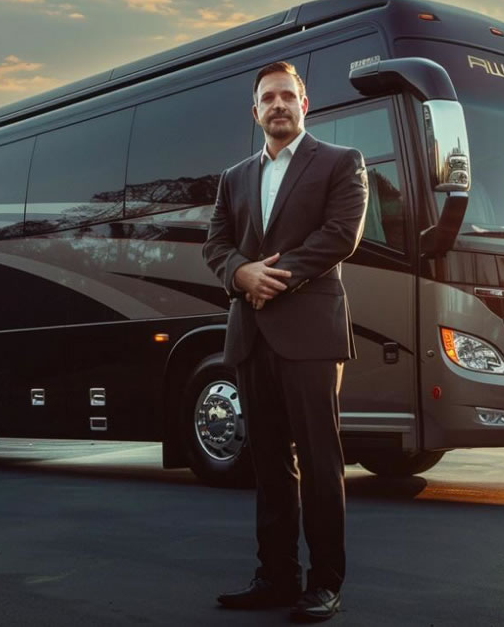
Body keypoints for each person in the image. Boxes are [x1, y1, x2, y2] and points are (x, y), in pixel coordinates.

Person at [203, 61, 368, 622]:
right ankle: (274, 576)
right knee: (268, 463)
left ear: (305, 106)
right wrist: (238, 273)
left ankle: (325, 582)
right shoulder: (234, 178)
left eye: (287, 97)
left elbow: (342, 234)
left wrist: (275, 275)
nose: (278, 105)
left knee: (320, 462)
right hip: (250, 332)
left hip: (310, 333)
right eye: (267, 98)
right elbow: (217, 245)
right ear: (256, 112)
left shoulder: (342, 163)